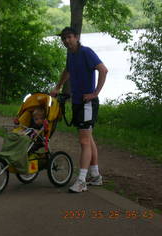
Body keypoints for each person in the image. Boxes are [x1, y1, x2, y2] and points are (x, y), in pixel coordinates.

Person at [50, 27, 108, 193]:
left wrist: (95, 93)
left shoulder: (86, 52)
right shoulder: (71, 54)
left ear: (76, 37)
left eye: (69, 37)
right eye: (64, 38)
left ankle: (81, 180)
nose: (66, 41)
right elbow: (67, 70)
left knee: (83, 141)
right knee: (88, 138)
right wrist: (58, 86)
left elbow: (103, 70)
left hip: (87, 103)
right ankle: (95, 176)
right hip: (77, 101)